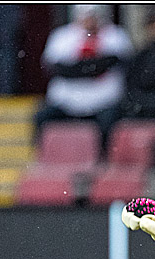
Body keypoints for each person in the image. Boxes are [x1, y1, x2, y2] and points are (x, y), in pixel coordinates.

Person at [34, 4, 133, 152]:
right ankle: (43, 154)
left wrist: (81, 67)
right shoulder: (62, 36)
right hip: (67, 101)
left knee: (109, 124)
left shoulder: (115, 35)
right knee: (41, 117)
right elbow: (55, 67)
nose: (89, 20)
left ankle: (103, 157)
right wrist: (91, 67)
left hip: (103, 101)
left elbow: (120, 61)